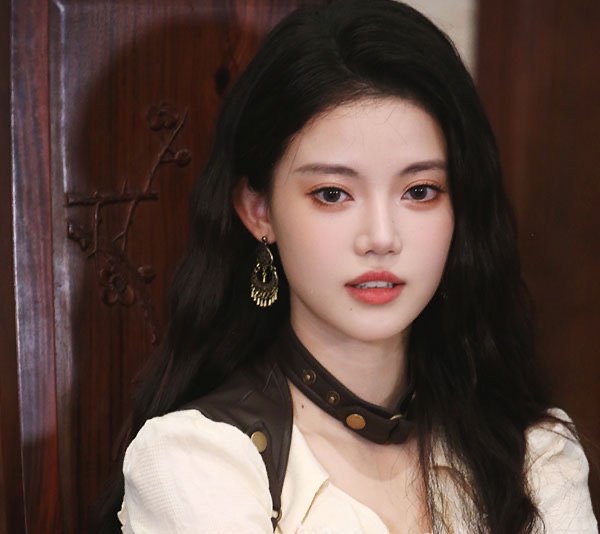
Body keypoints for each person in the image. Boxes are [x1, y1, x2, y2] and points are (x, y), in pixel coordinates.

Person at [98, 0, 598, 532]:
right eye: (332, 193)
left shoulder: (534, 454)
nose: (380, 238)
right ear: (258, 210)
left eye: (420, 191)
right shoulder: (198, 461)